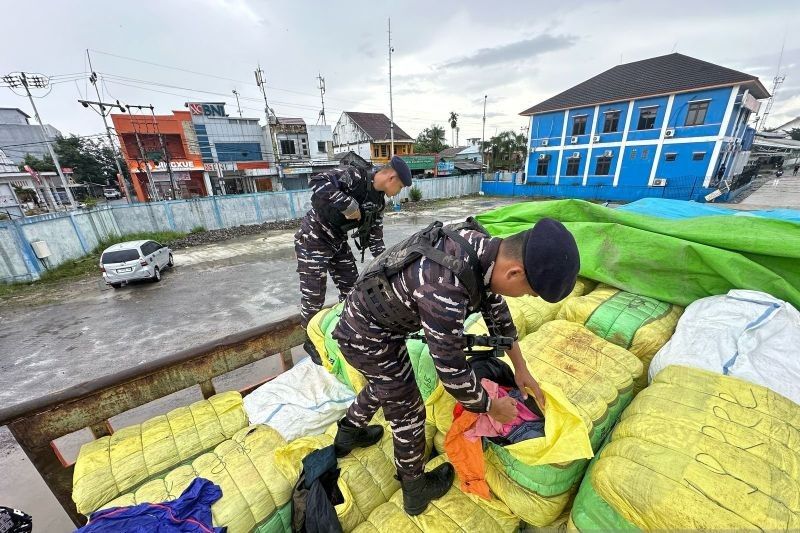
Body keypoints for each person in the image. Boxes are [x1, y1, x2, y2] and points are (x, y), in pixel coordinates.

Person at [331, 216, 580, 515]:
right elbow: (452, 371)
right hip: (367, 336)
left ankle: (347, 435)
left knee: (384, 384)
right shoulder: (444, 286)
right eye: (528, 292)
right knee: (408, 409)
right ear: (515, 272)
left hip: (376, 320)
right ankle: (415, 490)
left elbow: (495, 310)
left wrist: (521, 367)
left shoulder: (481, 248)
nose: (524, 297)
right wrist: (491, 406)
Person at [295, 156, 412, 362]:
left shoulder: (378, 203)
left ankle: (346, 330)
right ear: (391, 177)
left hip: (338, 241)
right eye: (400, 186)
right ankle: (310, 339)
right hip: (314, 237)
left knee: (352, 289)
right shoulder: (355, 176)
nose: (398, 192)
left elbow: (376, 238)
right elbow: (317, 182)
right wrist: (348, 204)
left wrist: (387, 264)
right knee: (314, 296)